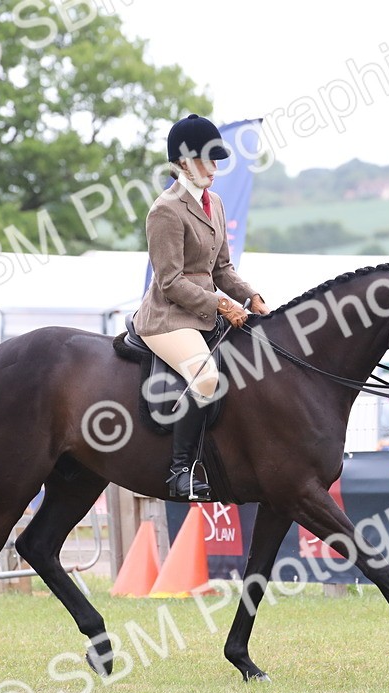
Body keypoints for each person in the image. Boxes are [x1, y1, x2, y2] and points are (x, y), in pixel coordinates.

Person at [133, 113, 271, 501]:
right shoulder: (166, 210)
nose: (214, 168)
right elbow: (170, 282)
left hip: (206, 312)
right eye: (206, 159)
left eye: (216, 159)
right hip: (168, 319)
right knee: (206, 378)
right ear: (181, 162)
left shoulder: (217, 204)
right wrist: (222, 303)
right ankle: (181, 472)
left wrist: (250, 296)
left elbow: (223, 268)